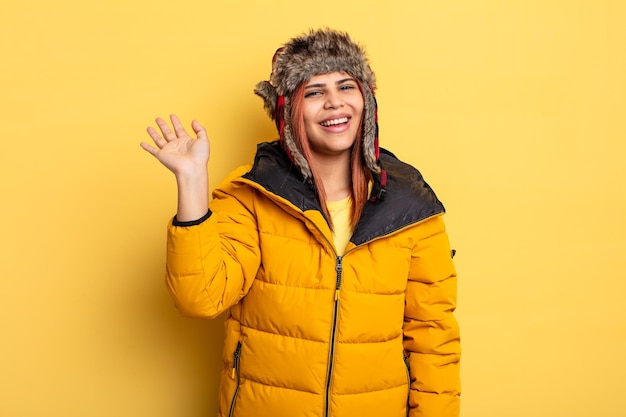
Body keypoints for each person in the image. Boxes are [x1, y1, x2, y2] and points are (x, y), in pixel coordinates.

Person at [141, 29, 460, 417]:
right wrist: (191, 182)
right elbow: (200, 298)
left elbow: (434, 338)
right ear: (288, 110)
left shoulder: (412, 205)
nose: (334, 102)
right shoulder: (254, 193)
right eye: (314, 92)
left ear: (366, 100)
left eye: (346, 86)